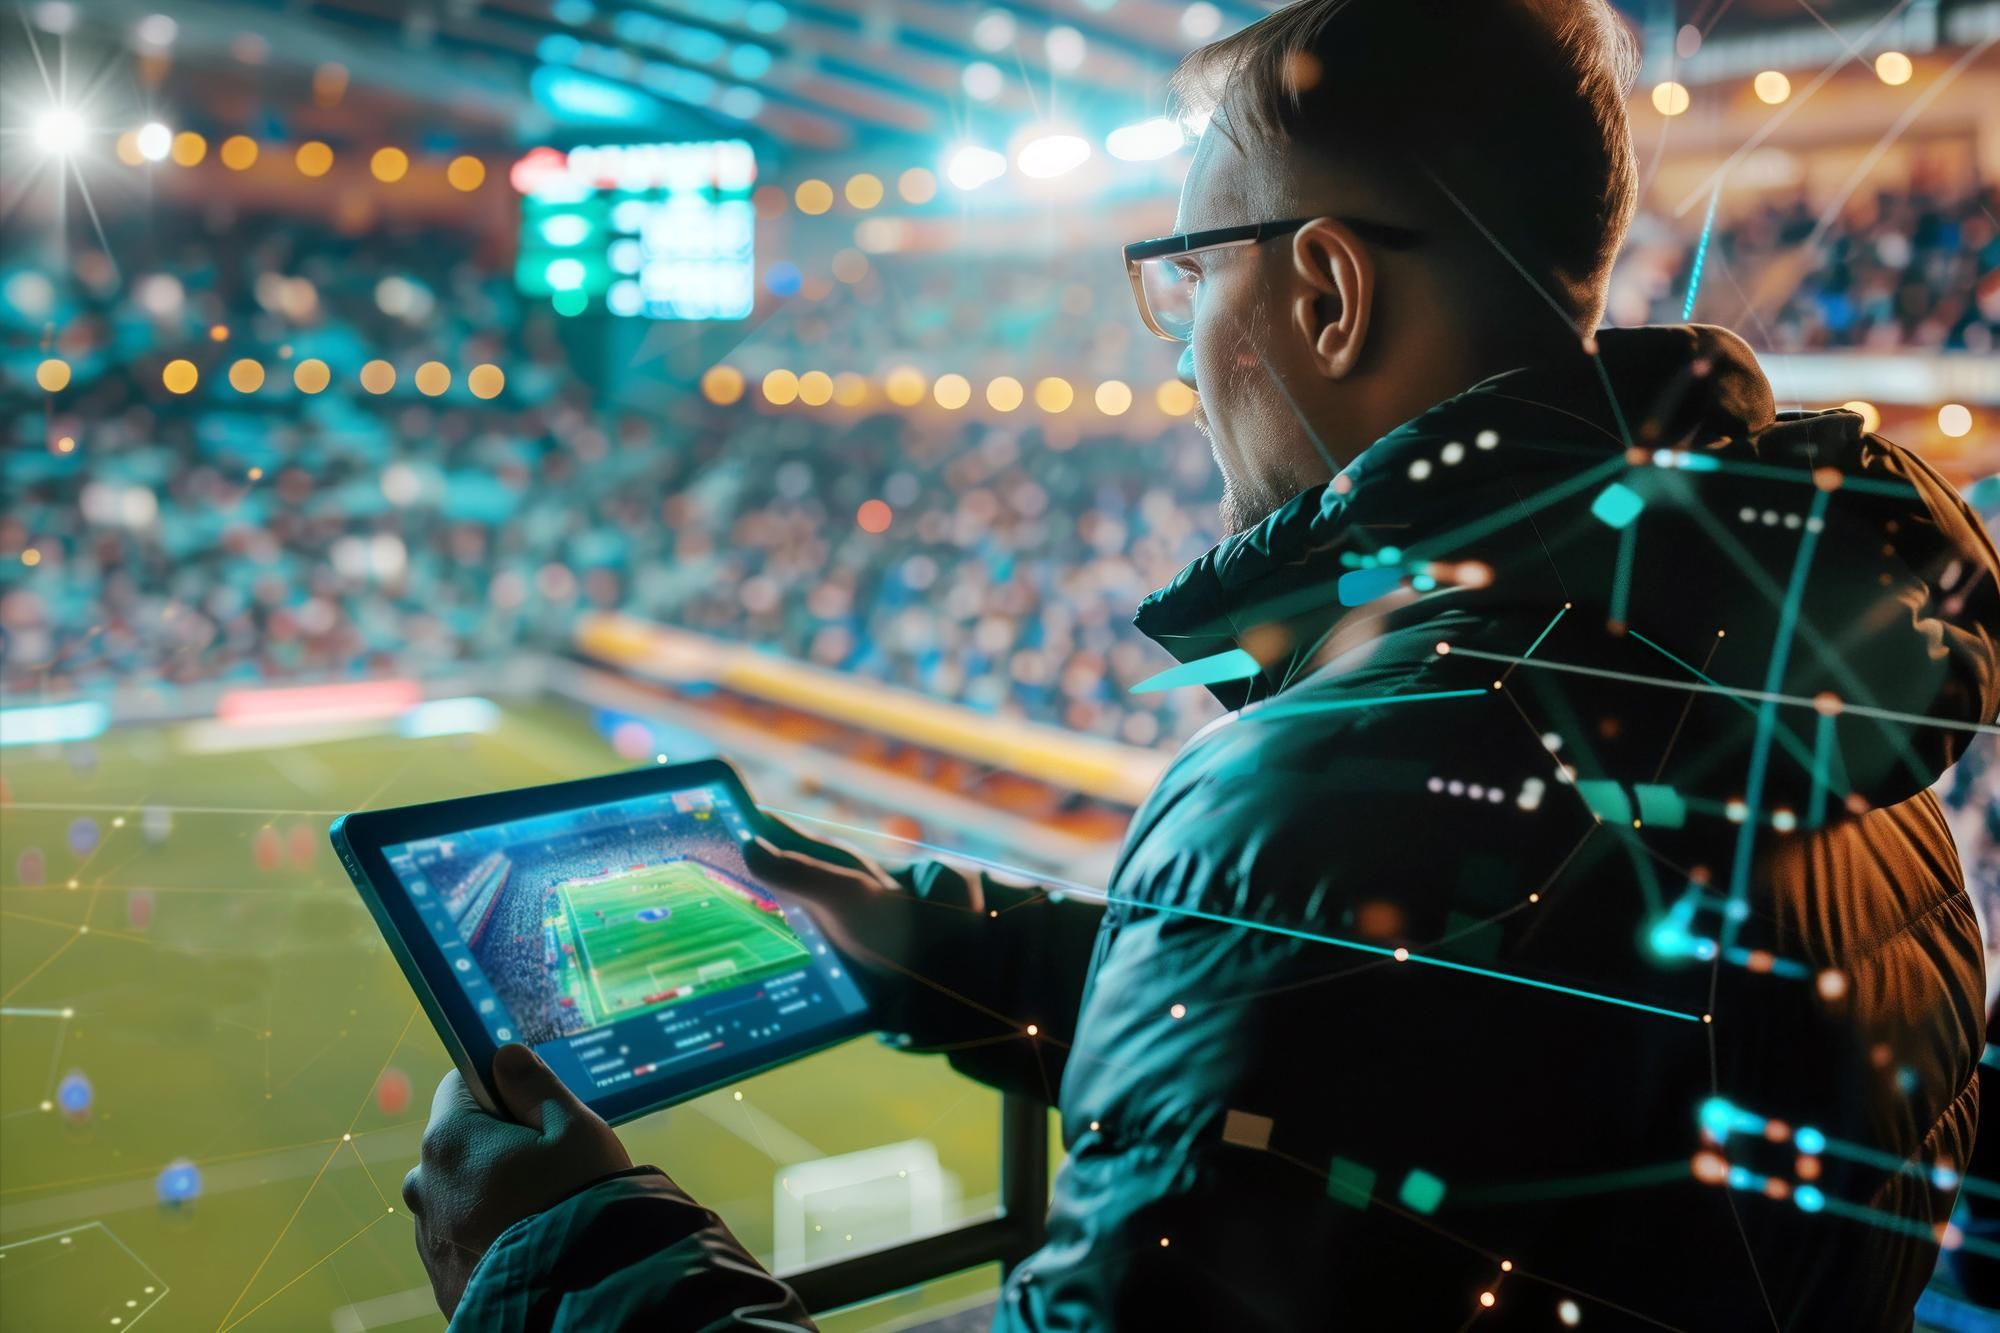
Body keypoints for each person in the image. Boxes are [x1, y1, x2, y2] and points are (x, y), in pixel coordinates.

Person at [402, 1, 2000, 1327]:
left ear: (1323, 286)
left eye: (1187, 269)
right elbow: (1438, 1040)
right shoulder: (1803, 716)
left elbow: (1383, 982)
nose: (1174, 344)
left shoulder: (1354, 777)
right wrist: (939, 950)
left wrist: (569, 1259)